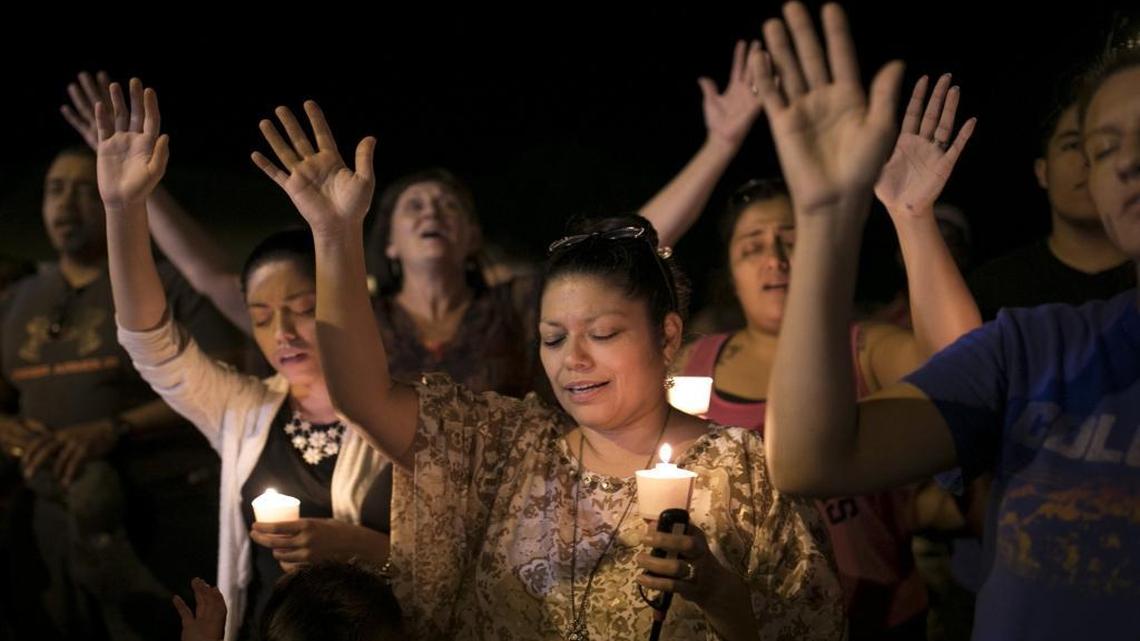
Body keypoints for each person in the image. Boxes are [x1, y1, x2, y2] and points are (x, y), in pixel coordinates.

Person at [759, 4, 1140, 639]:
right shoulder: (1036, 347)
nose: (1129, 161)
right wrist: (826, 214)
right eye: (1105, 146)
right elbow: (808, 461)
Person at [97, 79, 391, 641]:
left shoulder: (401, 414)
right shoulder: (245, 411)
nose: (282, 332)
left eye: (302, 308)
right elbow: (150, 342)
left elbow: (455, 559)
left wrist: (360, 548)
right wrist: (122, 209)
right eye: (259, 316)